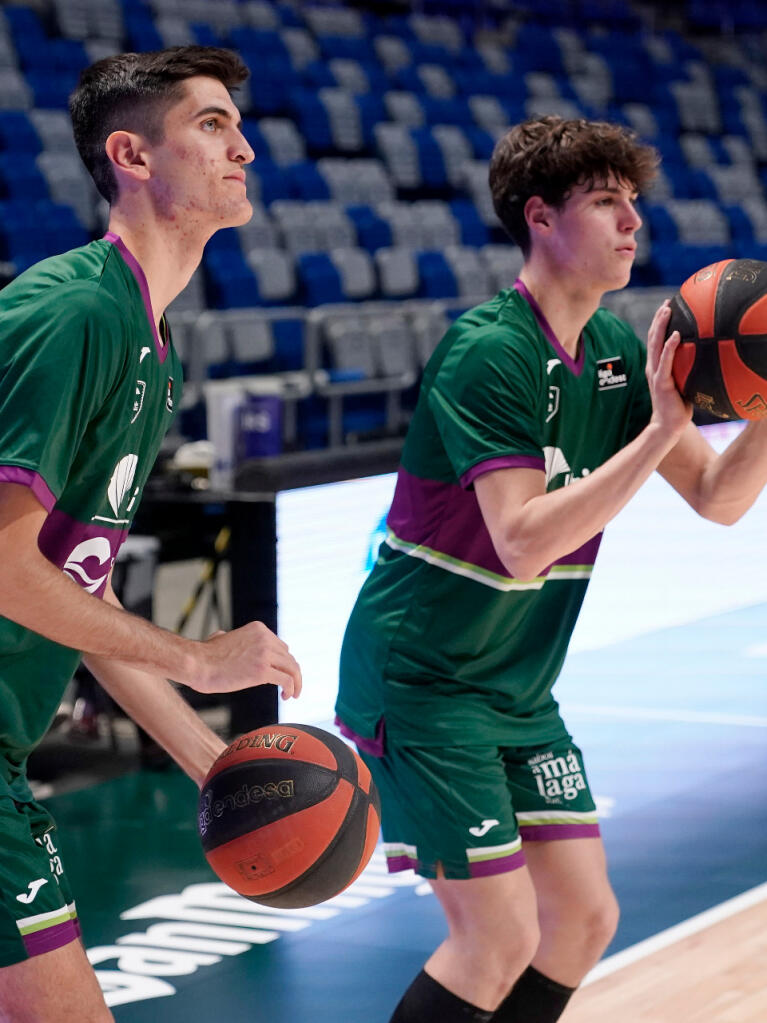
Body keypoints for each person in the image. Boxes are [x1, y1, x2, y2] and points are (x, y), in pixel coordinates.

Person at [335, 115, 767, 1023]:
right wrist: (657, 430)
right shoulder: (487, 349)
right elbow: (521, 540)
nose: (631, 222)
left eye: (634, 202)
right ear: (539, 217)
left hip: (517, 688)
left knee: (580, 918)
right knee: (495, 939)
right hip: (421, 680)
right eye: (605, 201)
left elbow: (721, 499)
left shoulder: (616, 349)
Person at [0, 46, 302, 1022]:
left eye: (237, 125)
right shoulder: (76, 311)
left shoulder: (146, 339)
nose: (243, 148)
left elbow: (73, 588)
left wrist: (206, 759)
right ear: (131, 155)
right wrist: (198, 659)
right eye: (210, 125)